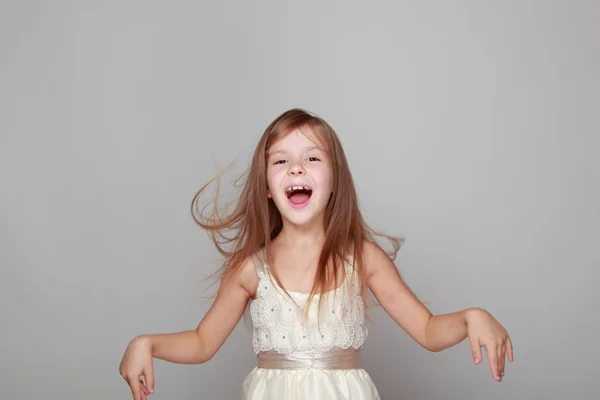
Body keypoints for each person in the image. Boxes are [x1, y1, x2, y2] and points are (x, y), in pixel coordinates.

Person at [119, 108, 514, 400]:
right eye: (281, 161)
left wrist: (470, 318)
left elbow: (427, 330)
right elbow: (203, 342)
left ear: (334, 180)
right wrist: (147, 343)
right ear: (267, 188)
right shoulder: (251, 269)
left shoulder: (363, 258)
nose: (296, 168)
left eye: (311, 158)